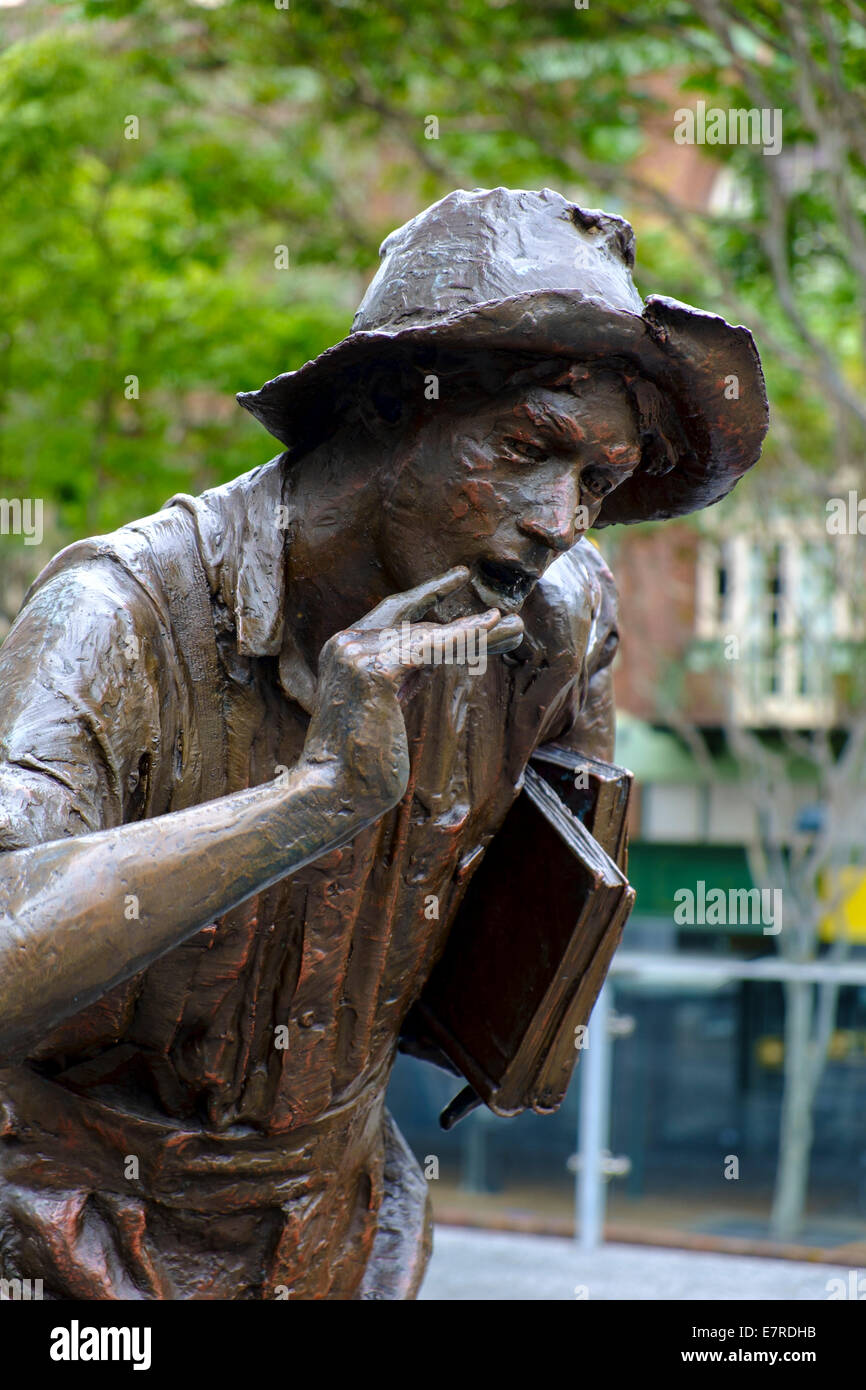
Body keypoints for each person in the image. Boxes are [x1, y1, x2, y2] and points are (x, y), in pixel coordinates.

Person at [0, 187, 768, 1299]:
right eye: (525, 447)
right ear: (376, 410)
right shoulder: (123, 613)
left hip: (342, 1231)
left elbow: (554, 895)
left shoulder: (557, 622)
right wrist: (314, 797)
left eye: (596, 481)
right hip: (69, 1236)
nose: (560, 519)